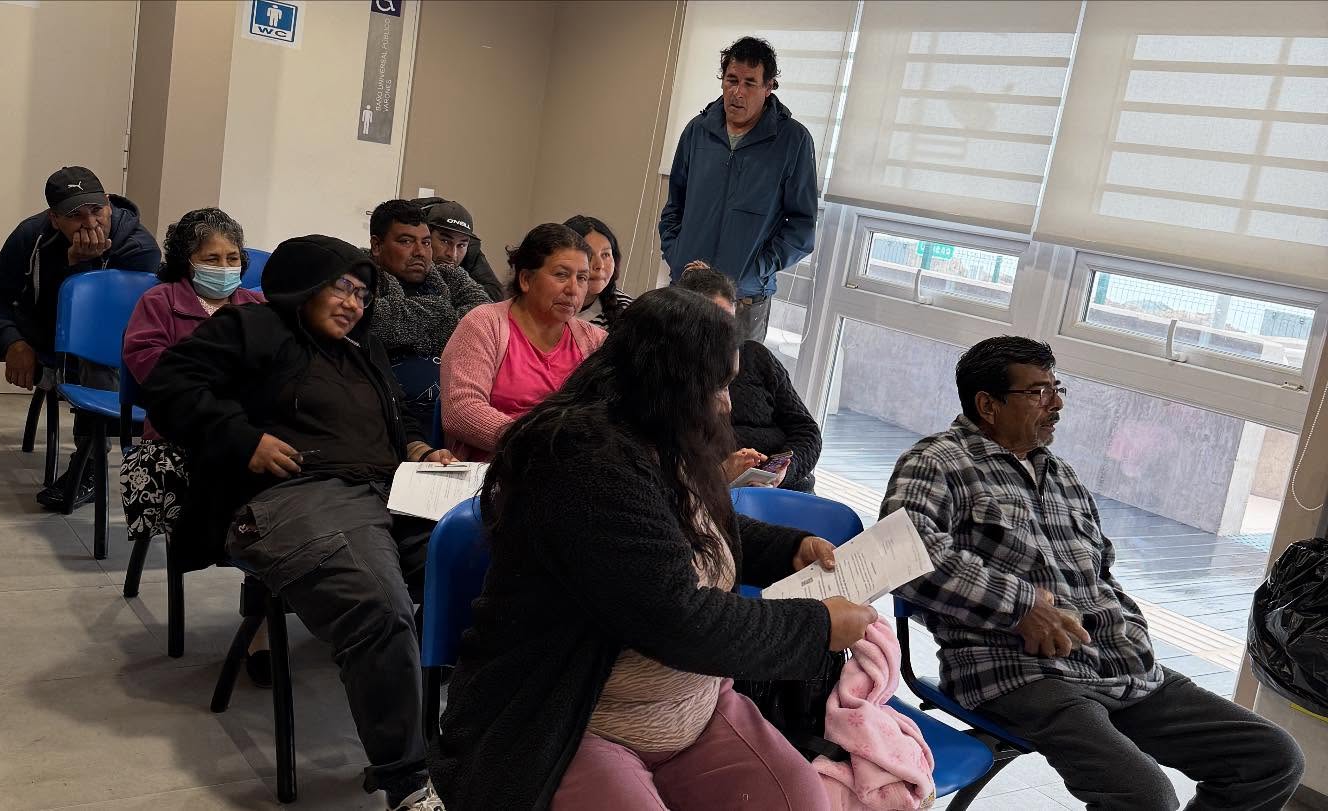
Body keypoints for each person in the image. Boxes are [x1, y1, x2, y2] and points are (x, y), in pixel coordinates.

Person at [430, 287, 879, 809]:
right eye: (719, 386)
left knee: (801, 801)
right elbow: (677, 619)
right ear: (674, 382)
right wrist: (817, 626)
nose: (727, 403)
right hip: (573, 712)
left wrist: (790, 548)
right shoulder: (582, 462)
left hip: (690, 702)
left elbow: (698, 531)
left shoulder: (659, 434)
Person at [884, 337, 1304, 811]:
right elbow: (904, 557)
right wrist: (1022, 608)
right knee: (1144, 796)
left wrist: (1130, 628)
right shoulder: (937, 461)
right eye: (1038, 392)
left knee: (1270, 757)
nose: (1056, 403)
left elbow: (1100, 572)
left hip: (1115, 662)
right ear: (988, 404)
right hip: (1017, 670)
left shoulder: (1060, 474)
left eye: (1057, 387)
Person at [141, 235, 454, 810]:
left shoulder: (364, 347)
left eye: (363, 293)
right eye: (342, 286)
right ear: (303, 283)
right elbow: (166, 386)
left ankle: (474, 744)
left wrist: (416, 445)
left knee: (495, 570)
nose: (354, 304)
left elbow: (395, 415)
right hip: (296, 495)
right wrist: (242, 439)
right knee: (378, 606)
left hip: (388, 489)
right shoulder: (250, 328)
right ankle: (409, 781)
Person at [0, 166, 160, 511]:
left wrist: (80, 268)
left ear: (108, 203)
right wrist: (14, 341)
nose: (90, 223)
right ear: (54, 219)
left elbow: (102, 325)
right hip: (36, 332)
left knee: (99, 353)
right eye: (75, 215)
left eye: (96, 210)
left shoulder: (138, 248)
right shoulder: (32, 234)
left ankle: (89, 463)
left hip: (99, 346)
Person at [119, 208, 266, 681]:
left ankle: (259, 623)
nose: (225, 267)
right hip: (178, 438)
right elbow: (154, 372)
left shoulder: (258, 306)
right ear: (187, 260)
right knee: (252, 487)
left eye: (232, 258)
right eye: (212, 257)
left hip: (244, 433)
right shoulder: (160, 303)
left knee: (288, 484)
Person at [658, 36, 817, 343]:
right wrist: (676, 255)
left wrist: (755, 272)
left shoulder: (793, 141)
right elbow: (674, 204)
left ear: (769, 87)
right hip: (686, 290)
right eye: (731, 80)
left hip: (744, 302)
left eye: (750, 83)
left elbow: (801, 229)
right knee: (672, 383)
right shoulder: (697, 131)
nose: (738, 92)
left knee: (736, 389)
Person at [439, 223, 605, 462]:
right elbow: (462, 411)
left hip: (569, 468)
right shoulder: (484, 324)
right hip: (493, 470)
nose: (573, 289)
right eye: (561, 275)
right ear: (526, 279)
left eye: (582, 278)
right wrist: (538, 442)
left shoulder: (595, 341)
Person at [677, 267, 821, 492]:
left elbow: (806, 429)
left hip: (787, 487)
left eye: (729, 319)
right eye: (715, 321)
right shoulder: (672, 373)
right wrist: (725, 472)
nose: (725, 331)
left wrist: (782, 472)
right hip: (722, 493)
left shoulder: (756, 356)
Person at [367, 199, 490, 430]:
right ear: (377, 245)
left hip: (457, 409)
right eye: (406, 241)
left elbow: (483, 318)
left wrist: (414, 333)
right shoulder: (361, 276)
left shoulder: (449, 276)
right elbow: (381, 323)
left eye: (425, 242)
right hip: (390, 414)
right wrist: (444, 312)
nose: (420, 252)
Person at [411, 196, 504, 302]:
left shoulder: (471, 250)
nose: (452, 254)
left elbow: (495, 294)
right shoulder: (409, 240)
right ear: (427, 236)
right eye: (445, 241)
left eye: (461, 245)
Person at [564, 215, 634, 331]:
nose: (599, 265)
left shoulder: (629, 311)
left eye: (605, 255)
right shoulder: (546, 303)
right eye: (589, 255)